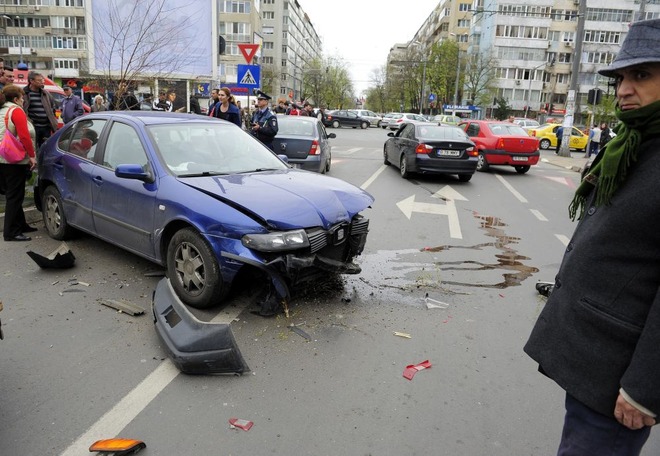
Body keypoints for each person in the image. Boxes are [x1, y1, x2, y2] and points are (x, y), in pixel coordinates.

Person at [524, 18, 660, 456]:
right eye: (621, 77)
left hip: (622, 377)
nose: (623, 89)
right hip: (595, 359)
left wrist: (645, 388)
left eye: (641, 75)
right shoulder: (635, 143)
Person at [0, 84, 37, 241]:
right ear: (16, 99)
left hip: (2, 158)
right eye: (22, 98)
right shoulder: (15, 111)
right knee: (15, 196)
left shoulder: (2, 110)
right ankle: (11, 232)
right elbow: (24, 135)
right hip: (14, 160)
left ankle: (21, 224)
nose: (23, 101)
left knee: (13, 193)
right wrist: (32, 155)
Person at [23, 71, 58, 148]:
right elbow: (21, 110)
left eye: (42, 80)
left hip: (46, 127)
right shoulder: (24, 94)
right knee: (33, 147)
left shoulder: (46, 93)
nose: (42, 82)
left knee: (45, 148)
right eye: (39, 80)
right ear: (31, 81)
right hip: (33, 127)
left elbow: (53, 107)